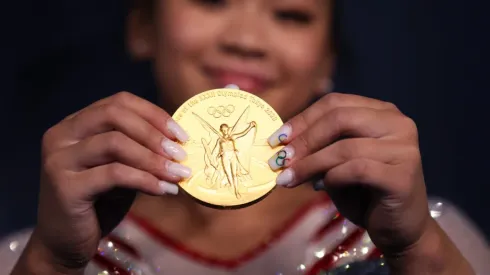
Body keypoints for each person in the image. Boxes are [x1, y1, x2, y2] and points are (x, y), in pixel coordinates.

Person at [1, 0, 489, 274]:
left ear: (327, 61)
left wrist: (417, 251)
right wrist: (50, 263)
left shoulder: (434, 240)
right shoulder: (33, 255)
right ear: (142, 27)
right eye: (212, 1)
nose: (246, 40)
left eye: (290, 15)